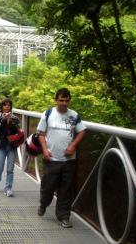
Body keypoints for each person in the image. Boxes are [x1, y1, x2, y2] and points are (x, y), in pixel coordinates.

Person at [36, 88, 86, 228]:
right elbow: (40, 133)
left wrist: (73, 146)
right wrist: (45, 150)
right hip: (51, 158)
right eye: (61, 100)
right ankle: (44, 204)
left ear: (69, 100)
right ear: (56, 100)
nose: (64, 103)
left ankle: (64, 216)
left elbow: (82, 131)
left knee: (66, 189)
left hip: (69, 160)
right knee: (48, 187)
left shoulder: (74, 115)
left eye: (66, 100)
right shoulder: (48, 113)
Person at [0, 98, 20, 197]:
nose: (7, 107)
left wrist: (10, 121)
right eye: (5, 105)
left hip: (12, 146)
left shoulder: (15, 118)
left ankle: (8, 188)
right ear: (1, 107)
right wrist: (4, 121)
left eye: (9, 105)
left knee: (10, 169)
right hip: (1, 146)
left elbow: (16, 130)